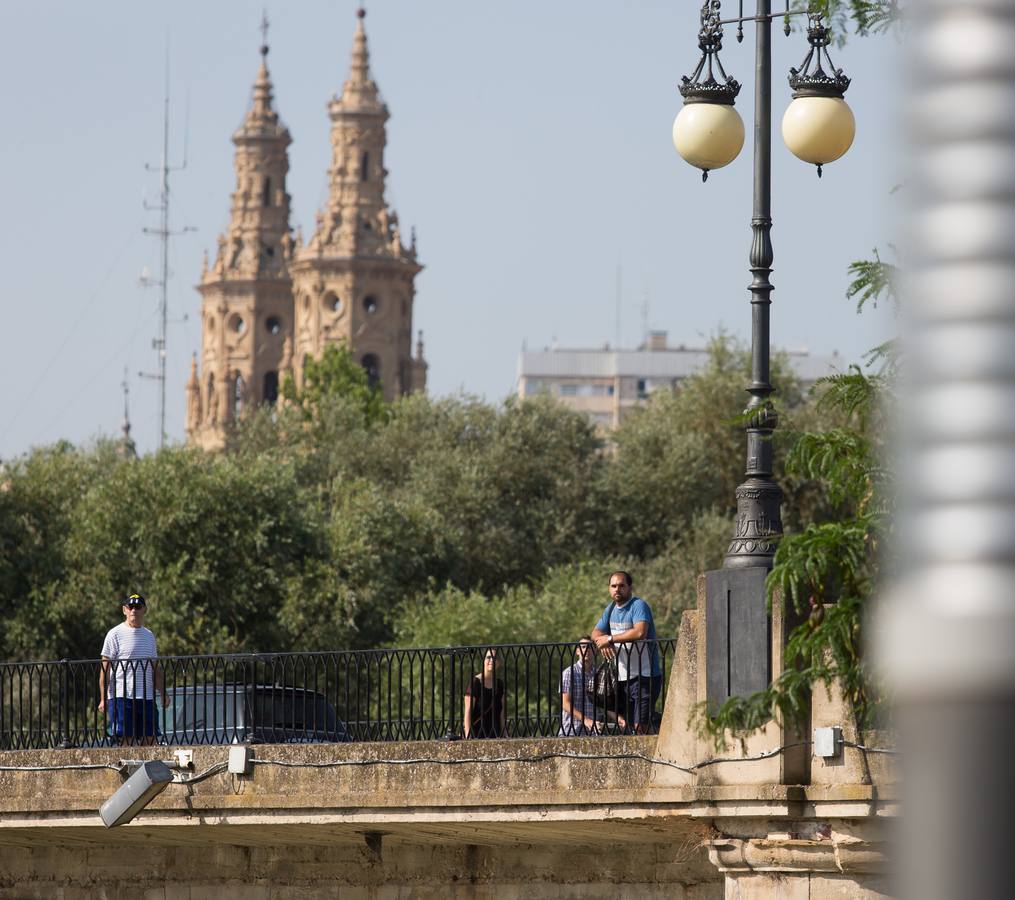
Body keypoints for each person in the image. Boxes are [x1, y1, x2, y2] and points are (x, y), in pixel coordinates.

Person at [591, 571, 662, 734]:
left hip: (645, 676)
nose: (617, 589)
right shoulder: (610, 610)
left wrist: (610, 639)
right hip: (622, 678)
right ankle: (657, 725)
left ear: (629, 587)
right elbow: (595, 633)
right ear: (609, 589)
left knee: (639, 726)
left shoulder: (638, 606)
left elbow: (639, 632)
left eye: (622, 586)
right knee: (630, 726)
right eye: (613, 586)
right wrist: (603, 643)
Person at [98, 593, 166, 746]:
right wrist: (103, 698)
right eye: (130, 607)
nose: (134, 610)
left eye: (138, 607)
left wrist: (163, 693)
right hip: (122, 695)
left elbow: (156, 667)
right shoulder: (114, 634)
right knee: (126, 739)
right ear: (124, 610)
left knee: (151, 738)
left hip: (147, 696)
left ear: (144, 610)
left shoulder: (149, 636)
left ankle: (146, 769)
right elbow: (105, 668)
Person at [559, 636, 626, 736]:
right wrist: (586, 720)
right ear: (577, 651)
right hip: (571, 731)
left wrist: (618, 718)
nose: (586, 650)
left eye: (590, 647)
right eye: (583, 647)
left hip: (592, 732)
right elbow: (565, 704)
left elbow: (602, 703)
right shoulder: (569, 673)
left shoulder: (597, 674)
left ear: (595, 651)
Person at [463, 648, 506, 739]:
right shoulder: (475, 683)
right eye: (488, 657)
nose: (491, 660)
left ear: (499, 663)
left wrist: (505, 734)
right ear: (483, 660)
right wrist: (468, 736)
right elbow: (468, 712)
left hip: (496, 735)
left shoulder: (500, 684)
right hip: (477, 735)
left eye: (495, 658)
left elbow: (502, 714)